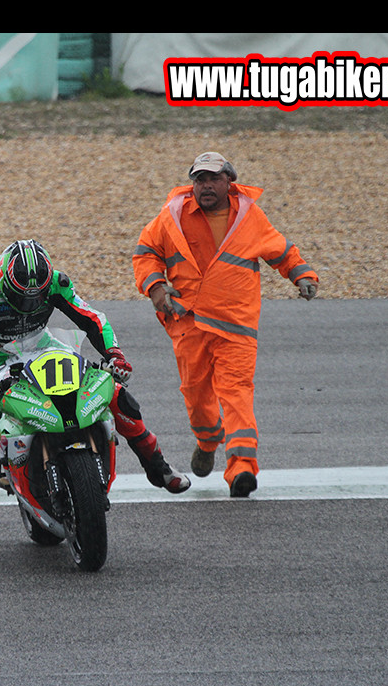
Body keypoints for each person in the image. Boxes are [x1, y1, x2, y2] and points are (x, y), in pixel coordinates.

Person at [0, 239, 191, 560]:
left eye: (37, 299)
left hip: (46, 346)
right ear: (4, 284)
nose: (30, 305)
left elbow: (92, 318)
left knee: (112, 393)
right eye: (20, 298)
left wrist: (114, 355)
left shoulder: (57, 282)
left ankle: (160, 469)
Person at [132, 151, 319, 498]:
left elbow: (281, 250)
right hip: (188, 322)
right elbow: (146, 254)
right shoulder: (172, 215)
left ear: (228, 182)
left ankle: (242, 469)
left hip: (236, 325)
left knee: (236, 392)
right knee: (197, 396)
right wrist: (156, 288)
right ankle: (206, 441)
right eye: (199, 179)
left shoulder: (250, 216)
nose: (205, 186)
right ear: (192, 184)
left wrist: (302, 274)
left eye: (213, 179)